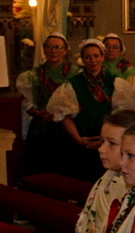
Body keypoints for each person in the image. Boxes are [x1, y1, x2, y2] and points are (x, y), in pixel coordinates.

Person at [44, 37, 116, 181]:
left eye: (96, 56)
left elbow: (121, 116)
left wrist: (106, 139)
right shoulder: (72, 84)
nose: (92, 60)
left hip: (109, 141)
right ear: (82, 60)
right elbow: (65, 115)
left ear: (102, 57)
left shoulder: (116, 82)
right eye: (87, 57)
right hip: (82, 141)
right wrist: (78, 139)